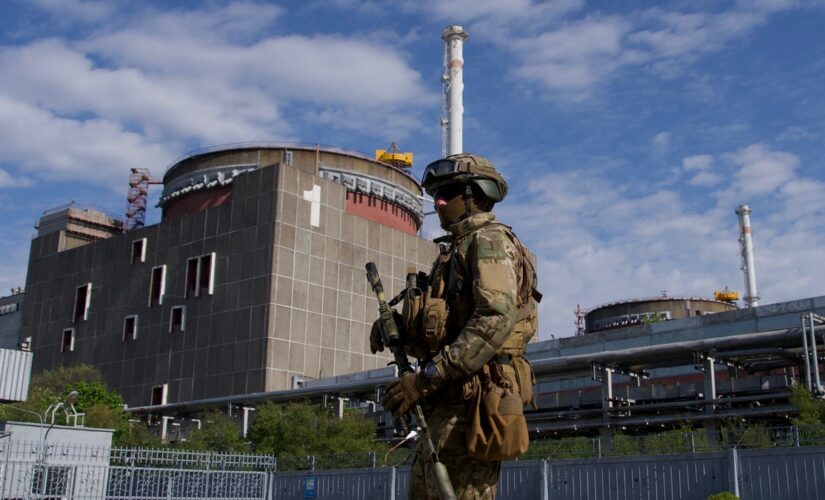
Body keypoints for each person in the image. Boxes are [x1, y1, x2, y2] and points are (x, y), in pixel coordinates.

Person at [371, 153, 540, 499]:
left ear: (475, 197)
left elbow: (495, 319)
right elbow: (447, 329)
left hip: (473, 405)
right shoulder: (454, 252)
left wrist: (425, 378)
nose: (439, 202)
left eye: (448, 193)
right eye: (436, 195)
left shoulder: (488, 242)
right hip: (446, 405)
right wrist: (400, 329)